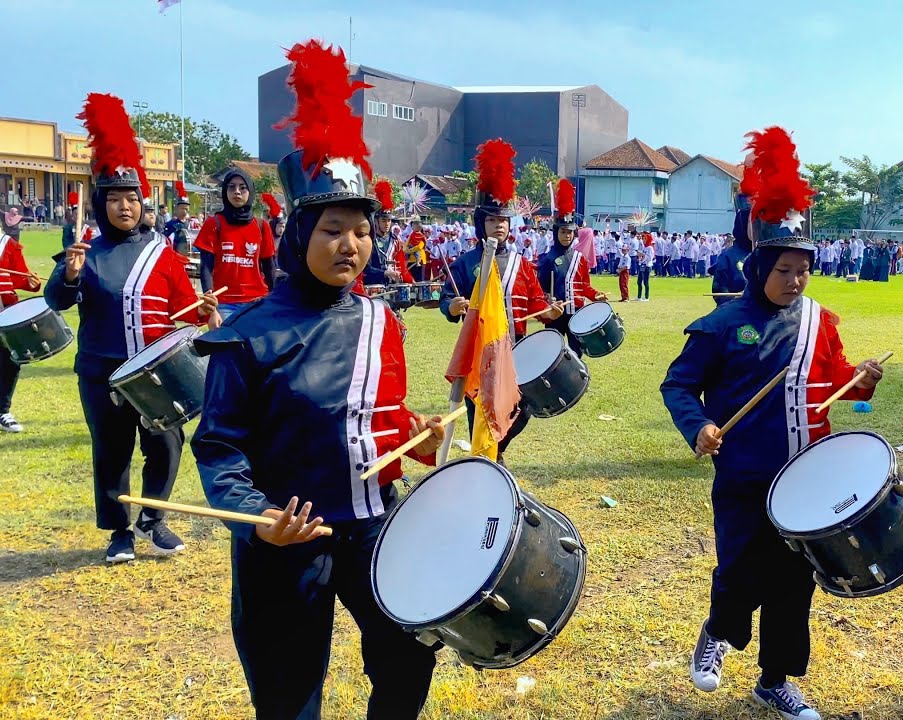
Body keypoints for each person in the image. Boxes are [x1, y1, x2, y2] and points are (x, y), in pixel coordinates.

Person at [192, 40, 446, 719]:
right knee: (288, 693)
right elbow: (218, 447)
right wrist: (255, 519)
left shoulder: (380, 321)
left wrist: (415, 432)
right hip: (288, 538)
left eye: (362, 231)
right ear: (299, 232)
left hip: (372, 527)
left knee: (409, 653)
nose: (351, 246)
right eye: (333, 229)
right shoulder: (246, 334)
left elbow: (377, 417)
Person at [664, 127, 883, 720]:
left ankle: (776, 679)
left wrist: (862, 380)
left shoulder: (819, 321)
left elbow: (840, 380)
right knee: (739, 568)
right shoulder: (721, 323)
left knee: (794, 582)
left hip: (807, 474)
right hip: (743, 474)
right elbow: (678, 384)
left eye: (802, 269)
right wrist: (699, 426)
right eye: (784, 269)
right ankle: (718, 629)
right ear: (761, 264)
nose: (795, 280)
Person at [45, 92, 221, 563]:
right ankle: (118, 530)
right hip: (101, 371)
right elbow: (55, 302)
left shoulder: (161, 252)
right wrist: (69, 276)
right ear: (101, 205)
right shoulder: (86, 252)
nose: (124, 207)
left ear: (143, 203)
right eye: (115, 199)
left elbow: (186, 311)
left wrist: (204, 312)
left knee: (165, 443)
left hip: (157, 371)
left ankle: (153, 519)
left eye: (131, 198)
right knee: (112, 449)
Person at [440, 143, 559, 459]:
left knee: (520, 413)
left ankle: (496, 454)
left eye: (504, 220)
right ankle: (489, 463)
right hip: (480, 358)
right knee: (480, 419)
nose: (499, 225)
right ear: (482, 224)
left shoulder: (522, 264)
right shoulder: (466, 263)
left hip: (515, 352)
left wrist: (549, 311)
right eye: (492, 220)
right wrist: (451, 306)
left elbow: (535, 301)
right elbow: (447, 299)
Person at [193, 169, 277, 321]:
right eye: (231, 187)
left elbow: (269, 267)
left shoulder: (262, 226)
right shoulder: (213, 224)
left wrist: (276, 302)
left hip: (257, 302)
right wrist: (212, 311)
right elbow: (206, 268)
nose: (237, 192)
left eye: (242, 187)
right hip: (225, 304)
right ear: (225, 191)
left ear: (250, 191)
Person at [539, 182, 607, 356]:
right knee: (552, 352)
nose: (567, 235)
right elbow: (540, 289)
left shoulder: (580, 258)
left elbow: (584, 286)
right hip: (556, 313)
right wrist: (548, 302)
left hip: (577, 313)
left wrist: (595, 295)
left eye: (569, 232)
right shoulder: (547, 259)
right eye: (563, 232)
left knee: (577, 352)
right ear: (556, 233)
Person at [0, 226, 41, 432]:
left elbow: (18, 278)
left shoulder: (8, 244)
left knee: (10, 361)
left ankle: (3, 411)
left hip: (6, 311)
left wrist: (31, 283)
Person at [362, 181, 410, 288]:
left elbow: (402, 267)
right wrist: (384, 273)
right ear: (376, 221)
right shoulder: (369, 240)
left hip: (392, 286)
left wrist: (411, 281)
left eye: (389, 221)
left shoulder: (395, 241)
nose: (387, 224)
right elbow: (365, 269)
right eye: (384, 220)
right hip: (373, 287)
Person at [711, 194, 752, 305]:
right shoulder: (727, 256)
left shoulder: (767, 254)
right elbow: (719, 293)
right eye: (752, 222)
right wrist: (740, 297)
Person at [163, 182, 193, 255]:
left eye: (186, 209)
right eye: (182, 208)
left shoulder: (191, 223)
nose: (184, 211)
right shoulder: (170, 224)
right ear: (176, 209)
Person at [636, 234, 653, 301]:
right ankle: (639, 296)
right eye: (643, 239)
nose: (643, 240)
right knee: (639, 281)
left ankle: (646, 297)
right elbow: (643, 256)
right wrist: (640, 257)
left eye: (644, 239)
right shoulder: (644, 247)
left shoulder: (650, 248)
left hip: (647, 266)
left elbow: (649, 258)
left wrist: (643, 255)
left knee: (646, 282)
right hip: (642, 265)